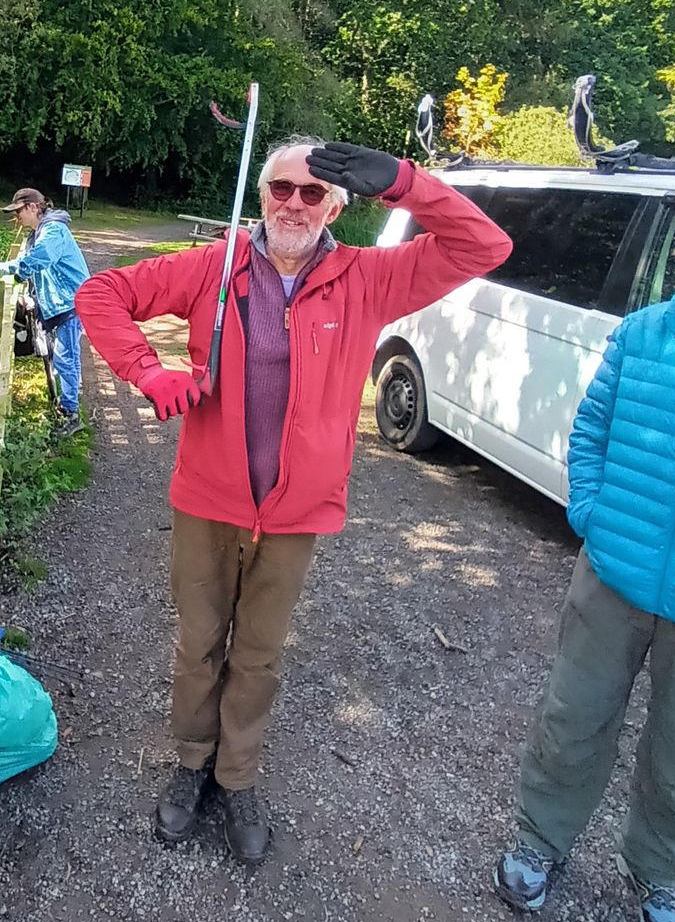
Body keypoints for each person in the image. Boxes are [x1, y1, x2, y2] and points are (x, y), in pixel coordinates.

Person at [75, 137, 511, 864]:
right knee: (197, 645)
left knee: (260, 655)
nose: (295, 205)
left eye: (314, 193)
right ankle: (191, 766)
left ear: (339, 204)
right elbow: (102, 295)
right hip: (208, 501)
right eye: (282, 189)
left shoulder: (368, 278)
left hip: (295, 511)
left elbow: (483, 245)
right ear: (262, 195)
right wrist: (147, 371)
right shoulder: (216, 270)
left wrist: (406, 182)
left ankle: (236, 773)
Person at [493, 184, 675, 922]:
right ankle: (540, 843)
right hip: (614, 570)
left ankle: (660, 877)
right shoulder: (641, 335)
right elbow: (593, 428)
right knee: (573, 718)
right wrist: (592, 516)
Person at [0, 187, 90, 436]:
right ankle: (63, 404)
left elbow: (36, 262)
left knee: (65, 359)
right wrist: (28, 294)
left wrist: (1, 270)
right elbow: (33, 269)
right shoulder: (38, 233)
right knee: (57, 357)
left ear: (32, 207)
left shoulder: (53, 231)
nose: (16, 218)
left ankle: (72, 414)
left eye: (18, 211)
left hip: (71, 303)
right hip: (58, 303)